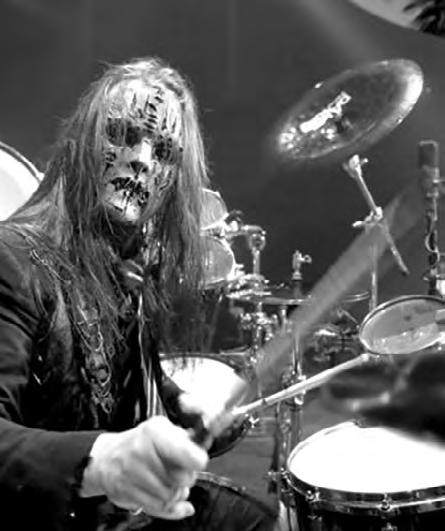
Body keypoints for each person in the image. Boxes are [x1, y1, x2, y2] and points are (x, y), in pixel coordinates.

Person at [0, 57, 281, 530]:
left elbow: (123, 372)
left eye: (165, 152)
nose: (143, 160)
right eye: (122, 135)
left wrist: (181, 404)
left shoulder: (122, 268)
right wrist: (103, 460)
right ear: (78, 146)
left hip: (115, 514)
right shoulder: (12, 258)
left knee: (255, 520)